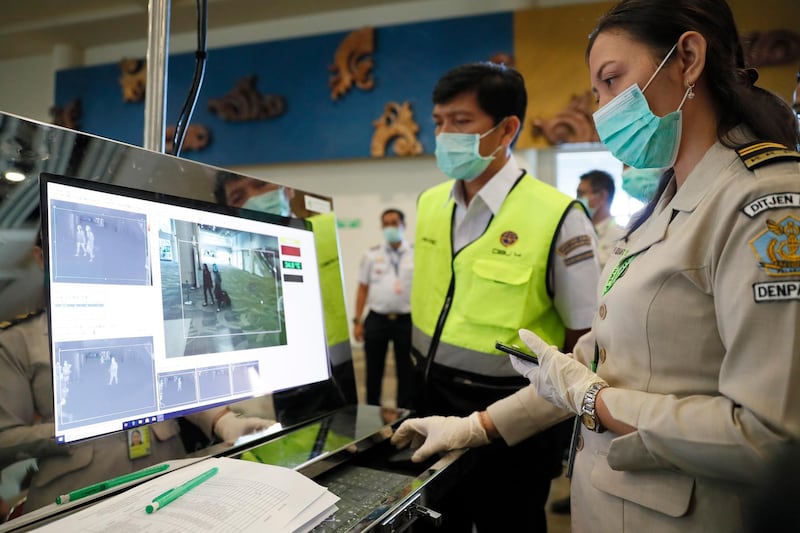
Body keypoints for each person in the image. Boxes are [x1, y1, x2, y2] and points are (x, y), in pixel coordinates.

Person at [392, 1, 800, 531]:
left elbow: (768, 437)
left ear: (689, 58)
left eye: (612, 80)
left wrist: (593, 399)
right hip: (614, 502)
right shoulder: (667, 205)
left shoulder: (763, 204)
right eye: (597, 92)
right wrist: (478, 426)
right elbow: (595, 361)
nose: (602, 108)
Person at [400, 62, 600, 532]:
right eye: (439, 121)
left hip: (515, 421)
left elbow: (583, 337)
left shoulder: (558, 215)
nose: (445, 133)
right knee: (435, 520)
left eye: (461, 121)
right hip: (431, 404)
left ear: (506, 128)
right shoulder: (431, 203)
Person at [0, 235, 276, 514]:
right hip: (80, 499)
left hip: (171, 481)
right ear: (41, 258)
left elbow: (178, 383)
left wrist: (223, 421)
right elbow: (5, 440)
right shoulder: (20, 341)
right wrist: (75, 428)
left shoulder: (144, 318)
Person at [352, 208, 414, 408]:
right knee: (373, 370)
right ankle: (372, 412)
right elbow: (362, 288)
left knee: (406, 370)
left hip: (406, 320)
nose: (390, 227)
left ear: (403, 225)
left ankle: (405, 414)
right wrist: (357, 321)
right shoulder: (371, 255)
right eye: (385, 223)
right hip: (377, 319)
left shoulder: (415, 253)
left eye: (394, 223)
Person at [576, 169, 626, 268]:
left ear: (603, 195)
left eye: (582, 194)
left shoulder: (620, 237)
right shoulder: (579, 231)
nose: (578, 200)